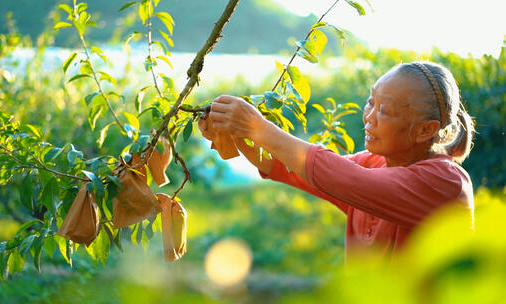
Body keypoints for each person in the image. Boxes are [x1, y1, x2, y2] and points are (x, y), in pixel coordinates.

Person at [198, 61, 475, 262]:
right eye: (370, 102)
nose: (369, 117)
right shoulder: (373, 163)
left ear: (426, 130)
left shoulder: (445, 183)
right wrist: (237, 133)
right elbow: (289, 168)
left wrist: (258, 128)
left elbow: (339, 175)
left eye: (384, 110)